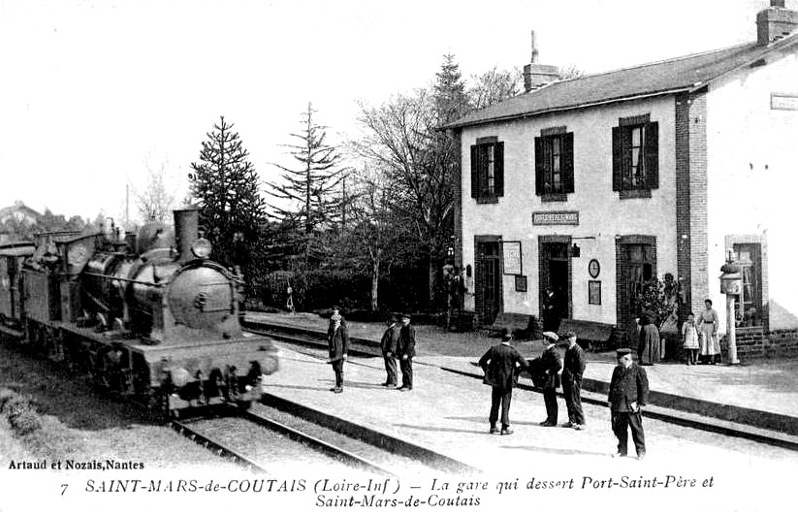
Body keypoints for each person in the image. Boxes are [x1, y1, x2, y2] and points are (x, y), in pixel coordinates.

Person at [478, 329, 530, 435]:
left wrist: (489, 372)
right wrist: (515, 372)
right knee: (506, 404)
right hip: (507, 382)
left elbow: (482, 361)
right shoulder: (512, 351)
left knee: (495, 403)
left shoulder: (494, 349)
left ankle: (493, 426)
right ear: (511, 338)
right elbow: (525, 365)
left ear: (501, 337)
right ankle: (504, 427)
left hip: (496, 381)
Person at [608, 348, 649, 460]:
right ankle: (622, 450)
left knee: (636, 429)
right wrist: (610, 400)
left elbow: (644, 388)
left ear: (626, 358)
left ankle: (640, 451)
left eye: (619, 358)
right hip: (618, 404)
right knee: (619, 428)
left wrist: (640, 403)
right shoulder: (617, 370)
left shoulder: (638, 370)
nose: (617, 360)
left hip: (632, 405)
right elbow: (612, 386)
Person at [561, 331, 587, 430]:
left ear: (574, 338)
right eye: (566, 338)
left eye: (569, 338)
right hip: (567, 378)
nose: (567, 340)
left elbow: (581, 367)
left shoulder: (578, 350)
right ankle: (572, 420)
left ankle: (581, 422)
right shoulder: (569, 349)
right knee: (569, 400)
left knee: (575, 400)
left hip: (574, 379)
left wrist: (576, 378)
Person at [538, 331, 562, 427]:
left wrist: (550, 371)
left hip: (551, 379)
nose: (543, 340)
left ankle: (552, 420)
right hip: (547, 379)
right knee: (547, 399)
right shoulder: (548, 350)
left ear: (549, 340)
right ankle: (549, 418)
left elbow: (559, 365)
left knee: (551, 399)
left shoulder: (553, 351)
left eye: (545, 338)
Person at [326, 306, 349, 393]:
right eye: (333, 321)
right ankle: (337, 385)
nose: (335, 322)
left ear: (340, 321)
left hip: (340, 353)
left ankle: (340, 386)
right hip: (333, 352)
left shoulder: (343, 329)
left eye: (336, 321)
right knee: (335, 369)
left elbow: (346, 342)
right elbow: (328, 336)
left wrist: (345, 353)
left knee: (339, 369)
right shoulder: (332, 329)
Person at [697, 299, 721, 365]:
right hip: (704, 327)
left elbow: (717, 321)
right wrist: (698, 328)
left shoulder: (714, 311)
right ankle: (704, 359)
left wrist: (715, 330)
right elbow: (699, 320)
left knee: (711, 343)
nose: (707, 306)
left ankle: (713, 359)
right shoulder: (703, 311)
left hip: (711, 327)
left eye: (708, 304)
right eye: (706, 305)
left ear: (711, 304)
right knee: (704, 342)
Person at [379, 315, 401, 387]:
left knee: (391, 366)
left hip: (390, 352)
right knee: (388, 366)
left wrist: (390, 351)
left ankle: (393, 382)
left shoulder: (394, 330)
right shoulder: (391, 329)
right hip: (387, 351)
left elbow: (393, 342)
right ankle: (389, 381)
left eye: (387, 321)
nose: (386, 322)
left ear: (391, 322)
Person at [397, 313, 416, 391]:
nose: (403, 320)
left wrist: (406, 353)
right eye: (402, 318)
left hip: (407, 352)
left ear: (409, 320)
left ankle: (408, 385)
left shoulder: (410, 328)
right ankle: (405, 384)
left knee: (407, 368)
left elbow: (411, 342)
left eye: (405, 318)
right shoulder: (403, 327)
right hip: (402, 351)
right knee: (403, 368)